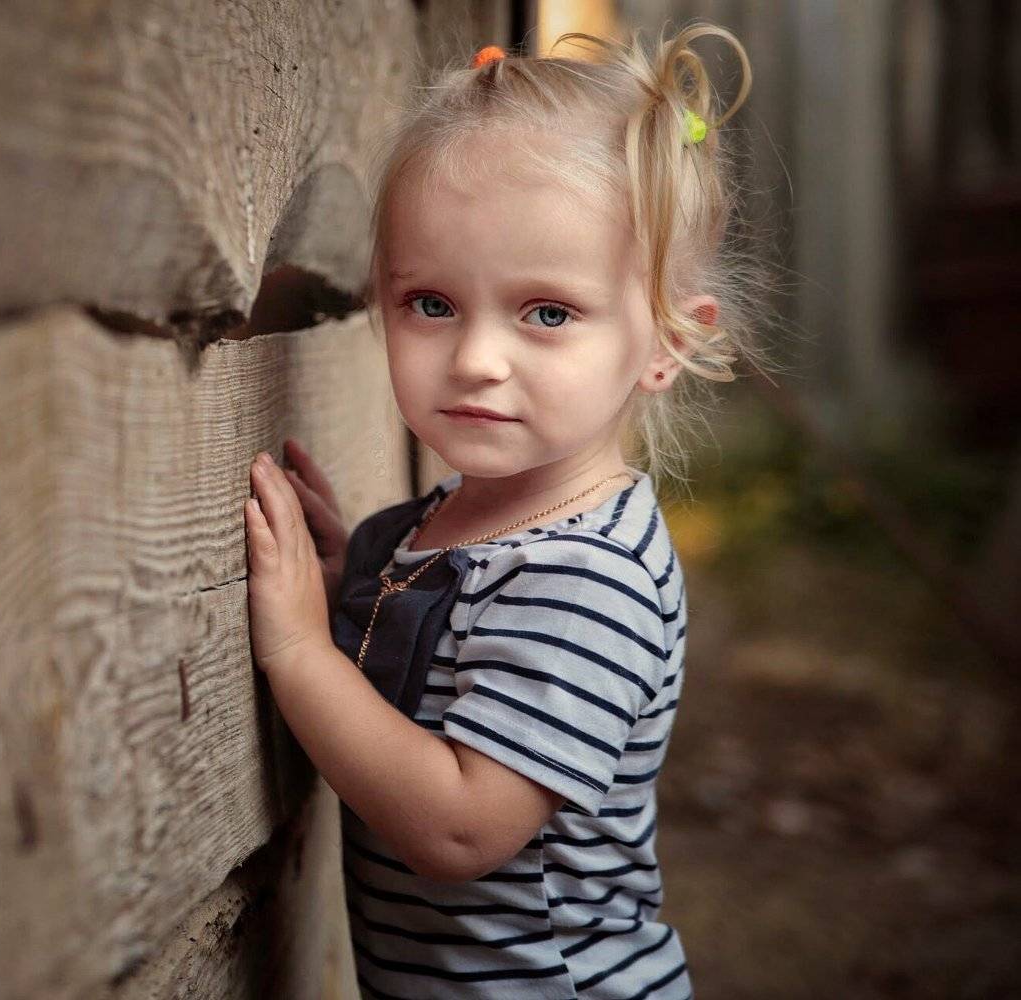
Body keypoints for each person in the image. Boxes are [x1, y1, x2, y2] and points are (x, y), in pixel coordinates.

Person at [244, 21, 762, 999]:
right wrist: (342, 591)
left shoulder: (585, 577)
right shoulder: (472, 520)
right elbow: (444, 661)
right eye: (431, 303)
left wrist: (305, 653)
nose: (478, 358)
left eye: (548, 313)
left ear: (665, 343)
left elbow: (458, 826)